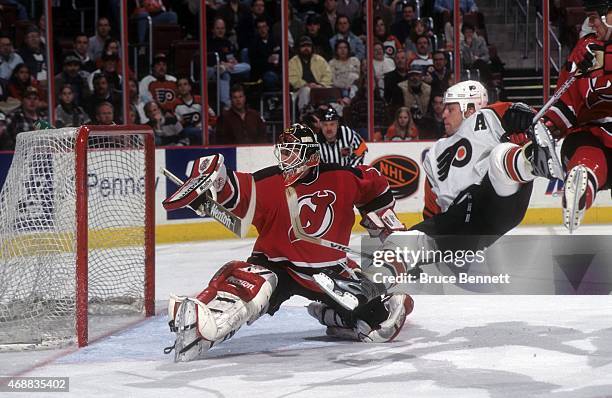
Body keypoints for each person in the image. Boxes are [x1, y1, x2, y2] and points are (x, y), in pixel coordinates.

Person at [163, 123, 413, 361]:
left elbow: (374, 185)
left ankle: (333, 315)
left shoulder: (342, 177)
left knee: (379, 325)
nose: (285, 160)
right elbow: (235, 190)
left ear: (312, 157)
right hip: (278, 265)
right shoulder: (270, 180)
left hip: (328, 271)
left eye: (292, 153)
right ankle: (206, 323)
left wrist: (386, 223)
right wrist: (216, 182)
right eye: (283, 152)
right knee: (254, 288)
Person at [313, 80, 541, 311]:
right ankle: (364, 290)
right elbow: (433, 211)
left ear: (470, 109)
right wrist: (418, 253)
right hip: (462, 222)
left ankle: (542, 162)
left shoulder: (486, 119)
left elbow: (523, 114)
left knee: (502, 155)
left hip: (498, 200)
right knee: (402, 241)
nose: (443, 114)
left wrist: (525, 116)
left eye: (450, 108)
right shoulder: (434, 153)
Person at [502, 1, 612, 232]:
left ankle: (586, 174)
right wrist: (543, 126)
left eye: (595, 17)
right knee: (580, 146)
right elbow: (566, 103)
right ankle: (584, 180)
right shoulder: (586, 48)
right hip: (594, 133)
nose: (590, 23)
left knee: (585, 149)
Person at [288, 35, 332, 113]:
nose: (306, 48)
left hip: (320, 87)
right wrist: (307, 84)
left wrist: (320, 85)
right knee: (306, 91)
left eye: (308, 46)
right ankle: (304, 115)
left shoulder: (319, 60)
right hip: (300, 89)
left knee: (331, 93)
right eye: (303, 46)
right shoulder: (293, 62)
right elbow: (292, 78)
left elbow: (328, 75)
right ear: (299, 48)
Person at [248, 17, 281, 91]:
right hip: (261, 72)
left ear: (268, 28)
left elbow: (281, 55)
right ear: (257, 30)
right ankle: (272, 99)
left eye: (264, 27)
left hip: (277, 69)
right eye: (259, 28)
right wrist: (267, 61)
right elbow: (253, 63)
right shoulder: (253, 43)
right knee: (270, 77)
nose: (262, 30)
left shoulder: (275, 40)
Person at [328, 39, 360, 104]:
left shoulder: (355, 60)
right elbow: (332, 80)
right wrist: (344, 86)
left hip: (353, 87)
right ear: (336, 51)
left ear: (348, 49)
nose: (343, 50)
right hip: (338, 88)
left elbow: (358, 76)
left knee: (354, 88)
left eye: (345, 48)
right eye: (340, 48)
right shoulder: (332, 63)